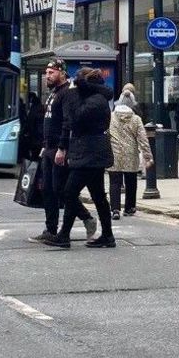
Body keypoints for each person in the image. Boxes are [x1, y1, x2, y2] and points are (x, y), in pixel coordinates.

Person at [48, 67, 115, 249]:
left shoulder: (96, 101)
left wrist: (70, 97)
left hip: (90, 153)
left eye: (77, 79)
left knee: (68, 192)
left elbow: (76, 118)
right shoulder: (93, 98)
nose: (73, 83)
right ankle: (106, 236)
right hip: (90, 152)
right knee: (98, 196)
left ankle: (65, 235)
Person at [108, 85, 151, 219]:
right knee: (131, 181)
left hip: (114, 153)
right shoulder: (136, 119)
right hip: (131, 154)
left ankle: (115, 209)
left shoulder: (111, 117)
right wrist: (148, 156)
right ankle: (129, 207)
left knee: (114, 182)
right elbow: (143, 139)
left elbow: (106, 135)